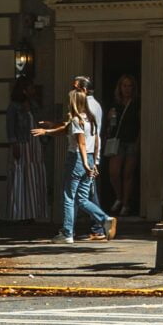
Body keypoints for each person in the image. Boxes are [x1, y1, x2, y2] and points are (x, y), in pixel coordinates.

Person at [52, 76, 115, 243]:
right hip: (89, 156)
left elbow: (80, 142)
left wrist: (88, 163)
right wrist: (94, 160)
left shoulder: (76, 119)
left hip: (78, 158)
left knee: (68, 196)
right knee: (82, 198)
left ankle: (67, 233)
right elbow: (95, 140)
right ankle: (103, 218)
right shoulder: (91, 119)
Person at [5, 77, 50, 225]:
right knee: (21, 176)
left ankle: (32, 212)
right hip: (23, 143)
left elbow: (39, 121)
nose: (33, 90)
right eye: (30, 88)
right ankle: (20, 212)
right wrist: (14, 143)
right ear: (24, 90)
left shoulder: (34, 104)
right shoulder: (14, 107)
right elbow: (11, 127)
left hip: (35, 143)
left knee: (34, 177)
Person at [102, 74, 138, 220]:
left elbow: (141, 123)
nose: (127, 89)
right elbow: (108, 125)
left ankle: (125, 204)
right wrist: (109, 118)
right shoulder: (114, 103)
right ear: (120, 87)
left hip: (131, 141)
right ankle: (119, 197)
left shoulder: (137, 103)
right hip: (116, 141)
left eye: (130, 86)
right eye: (124, 85)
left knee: (128, 174)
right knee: (114, 172)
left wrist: (139, 142)